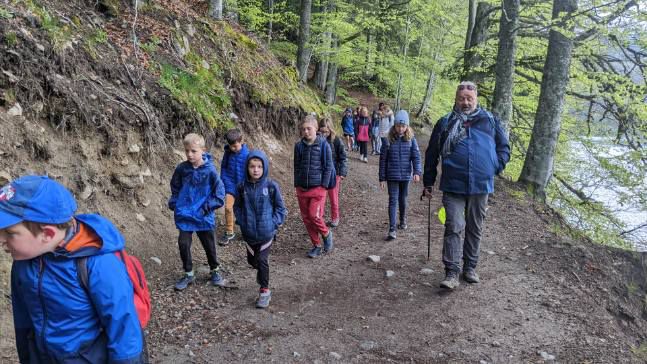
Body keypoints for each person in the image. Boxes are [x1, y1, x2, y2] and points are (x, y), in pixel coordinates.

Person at [0, 175, 148, 363]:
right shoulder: (23, 263)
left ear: (47, 233)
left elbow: (124, 330)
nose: (1, 240)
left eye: (10, 233)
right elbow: (23, 322)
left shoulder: (97, 263)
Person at [422, 81, 510, 290]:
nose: (466, 102)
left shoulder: (489, 121)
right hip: (453, 184)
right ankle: (451, 272)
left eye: (469, 98)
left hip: (481, 184)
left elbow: (504, 147)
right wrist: (428, 182)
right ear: (456, 98)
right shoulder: (445, 122)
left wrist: (495, 167)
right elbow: (432, 154)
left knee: (475, 227)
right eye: (462, 98)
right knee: (453, 225)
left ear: (476, 99)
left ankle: (470, 267)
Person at [169, 133, 226, 291]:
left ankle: (214, 270)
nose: (189, 154)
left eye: (193, 151)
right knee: (183, 244)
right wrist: (175, 203)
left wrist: (206, 208)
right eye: (187, 150)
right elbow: (175, 186)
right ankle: (188, 273)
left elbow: (219, 194)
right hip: (185, 214)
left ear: (203, 150)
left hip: (203, 215)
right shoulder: (182, 168)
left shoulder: (210, 171)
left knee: (209, 244)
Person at [234, 150, 287, 309]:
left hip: (266, 233)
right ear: (247, 168)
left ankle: (264, 291)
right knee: (253, 261)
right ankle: (262, 273)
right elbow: (237, 206)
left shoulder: (271, 186)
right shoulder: (242, 186)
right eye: (252, 166)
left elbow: (281, 209)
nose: (255, 170)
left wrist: (273, 223)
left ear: (264, 168)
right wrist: (242, 221)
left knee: (262, 260)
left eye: (259, 166)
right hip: (249, 233)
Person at [294, 115, 335, 258]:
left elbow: (328, 166)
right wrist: (297, 184)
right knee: (306, 218)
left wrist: (324, 185)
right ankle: (316, 245)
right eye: (303, 129)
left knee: (314, 216)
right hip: (302, 189)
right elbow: (297, 166)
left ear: (316, 128)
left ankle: (326, 233)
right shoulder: (298, 146)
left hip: (318, 188)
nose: (306, 132)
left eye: (309, 129)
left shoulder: (324, 145)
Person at [379, 110, 422, 241]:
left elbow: (416, 156)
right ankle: (392, 229)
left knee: (403, 199)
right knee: (393, 201)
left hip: (405, 176)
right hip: (392, 175)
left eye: (403, 126)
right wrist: (382, 178)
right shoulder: (388, 140)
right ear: (394, 125)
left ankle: (403, 220)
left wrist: (417, 172)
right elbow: (383, 160)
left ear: (407, 126)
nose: (401, 128)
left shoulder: (411, 140)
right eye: (398, 126)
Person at [220, 128, 249, 245]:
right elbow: (224, 168)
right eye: (231, 146)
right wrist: (225, 181)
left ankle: (246, 231)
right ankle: (229, 231)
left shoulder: (247, 154)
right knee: (228, 207)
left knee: (244, 210)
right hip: (230, 186)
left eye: (235, 146)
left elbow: (251, 170)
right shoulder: (227, 154)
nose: (233, 149)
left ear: (241, 141)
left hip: (243, 187)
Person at [319, 117, 348, 227]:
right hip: (321, 173)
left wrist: (342, 173)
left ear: (330, 130)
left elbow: (343, 157)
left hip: (334, 173)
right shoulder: (317, 140)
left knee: (333, 196)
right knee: (320, 197)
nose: (324, 134)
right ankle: (319, 217)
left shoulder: (336, 140)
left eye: (326, 131)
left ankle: (335, 217)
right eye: (322, 132)